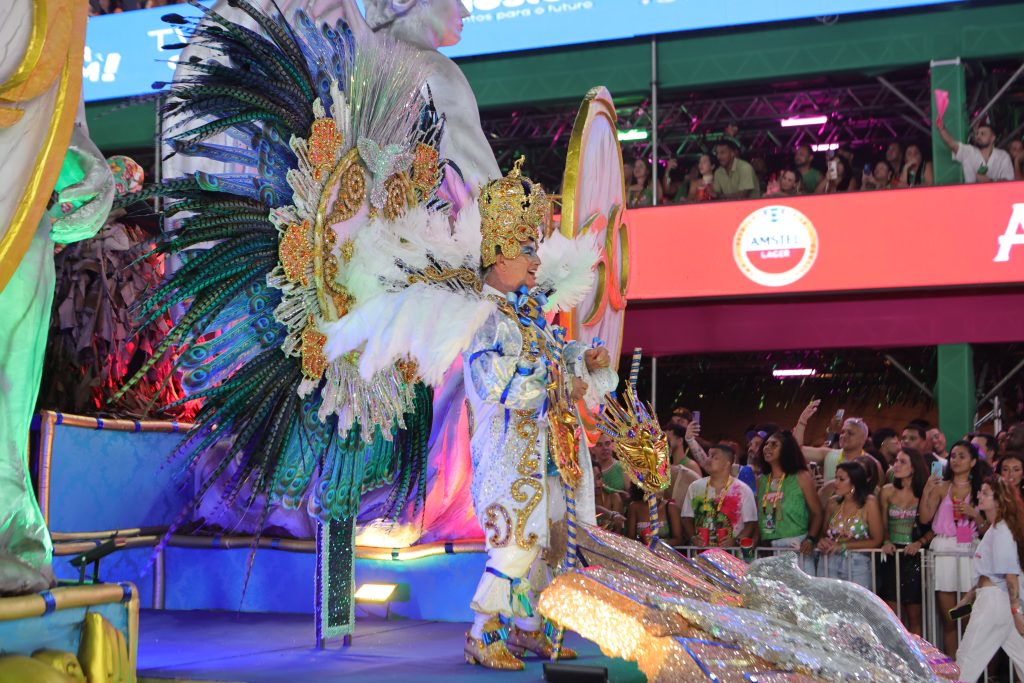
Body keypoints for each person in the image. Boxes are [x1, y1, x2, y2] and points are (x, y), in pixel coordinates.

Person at [461, 162, 618, 669]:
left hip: (549, 448)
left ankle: (529, 628)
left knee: (548, 540)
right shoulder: (485, 317)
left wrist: (583, 363)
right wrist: (560, 384)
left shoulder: (527, 314)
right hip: (509, 450)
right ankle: (482, 632)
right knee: (515, 542)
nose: (535, 264)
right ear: (499, 253)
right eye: (528, 251)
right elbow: (497, 384)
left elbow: (558, 360)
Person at [920, 440, 992, 657]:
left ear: (972, 462)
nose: (956, 460)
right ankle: (954, 670)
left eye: (962, 456)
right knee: (949, 617)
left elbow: (988, 528)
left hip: (969, 549)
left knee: (968, 615)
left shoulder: (981, 489)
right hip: (944, 549)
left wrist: (975, 514)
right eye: (953, 456)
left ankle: (970, 667)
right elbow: (924, 517)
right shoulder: (942, 486)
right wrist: (927, 490)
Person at [953, 477, 1024, 682]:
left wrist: (1016, 612)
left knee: (967, 659)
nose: (978, 496)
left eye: (985, 493)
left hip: (995, 603)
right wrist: (970, 596)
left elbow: (1010, 574)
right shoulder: (999, 528)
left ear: (999, 500)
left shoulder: (1001, 530)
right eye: (980, 492)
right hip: (999, 602)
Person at [878, 448, 929, 636]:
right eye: (896, 460)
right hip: (891, 554)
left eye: (902, 461)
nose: (896, 465)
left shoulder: (924, 492)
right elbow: (882, 522)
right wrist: (885, 540)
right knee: (892, 615)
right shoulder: (886, 491)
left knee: (914, 615)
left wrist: (920, 542)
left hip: (915, 555)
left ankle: (917, 658)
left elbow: (936, 525)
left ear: (914, 467)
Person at [756, 430, 823, 575]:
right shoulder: (761, 480)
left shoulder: (801, 476)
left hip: (796, 546)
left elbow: (817, 513)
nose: (767, 448)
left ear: (787, 449)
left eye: (774, 445)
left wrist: (810, 539)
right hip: (769, 548)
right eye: (766, 444)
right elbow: (759, 516)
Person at [815, 461, 884, 590]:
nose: (835, 483)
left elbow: (877, 540)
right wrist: (822, 541)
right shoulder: (832, 503)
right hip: (828, 561)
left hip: (857, 563)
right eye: (835, 477)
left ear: (854, 482)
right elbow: (823, 533)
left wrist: (843, 546)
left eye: (841, 479)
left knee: (856, 607)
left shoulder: (869, 502)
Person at [681, 444, 758, 549]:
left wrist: (736, 540)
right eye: (708, 455)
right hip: (702, 554)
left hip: (732, 555)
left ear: (727, 464)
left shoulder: (742, 489)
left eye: (714, 457)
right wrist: (693, 537)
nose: (708, 459)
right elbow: (686, 518)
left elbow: (751, 523)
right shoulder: (695, 487)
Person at [794, 400, 869, 481]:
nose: (844, 436)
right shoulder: (828, 454)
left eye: (850, 433)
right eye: (842, 432)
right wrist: (802, 421)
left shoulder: (871, 463)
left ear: (863, 439)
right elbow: (796, 450)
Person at [936, 119, 1015, 183]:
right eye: (977, 134)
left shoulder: (1003, 156)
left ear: (992, 138)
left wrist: (990, 181)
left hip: (996, 198)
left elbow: (1009, 181)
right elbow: (951, 144)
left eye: (983, 134)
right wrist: (942, 128)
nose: (978, 136)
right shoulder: (968, 151)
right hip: (971, 197)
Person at [626, 483, 684, 547]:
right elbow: (630, 538)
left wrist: (659, 543)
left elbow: (678, 539)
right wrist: (643, 542)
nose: (660, 490)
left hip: (665, 553)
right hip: (642, 553)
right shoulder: (634, 507)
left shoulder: (671, 508)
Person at [592, 465, 624, 533]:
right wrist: (610, 514)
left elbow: (618, 531)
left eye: (598, 478)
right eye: (591, 479)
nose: (596, 484)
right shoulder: (584, 502)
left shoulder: (614, 498)